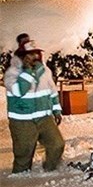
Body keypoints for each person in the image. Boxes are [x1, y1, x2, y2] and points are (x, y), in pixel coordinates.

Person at [3, 39, 65, 173]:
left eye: (37, 53)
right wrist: (27, 72)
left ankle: (50, 171)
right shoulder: (11, 74)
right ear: (22, 57)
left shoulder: (44, 71)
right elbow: (19, 91)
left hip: (44, 118)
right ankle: (21, 178)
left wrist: (56, 110)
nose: (36, 57)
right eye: (31, 54)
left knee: (57, 144)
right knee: (24, 154)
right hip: (22, 121)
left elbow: (52, 91)